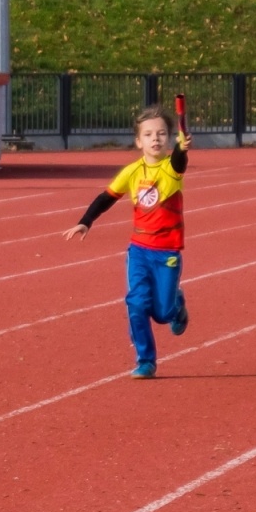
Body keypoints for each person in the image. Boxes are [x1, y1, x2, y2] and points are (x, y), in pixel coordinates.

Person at [63, 105, 193, 379]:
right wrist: (86, 221)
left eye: (161, 134)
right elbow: (107, 197)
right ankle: (145, 361)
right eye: (148, 134)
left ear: (170, 139)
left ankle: (176, 306)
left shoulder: (172, 169)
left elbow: (180, 160)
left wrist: (183, 147)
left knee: (163, 312)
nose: (155, 139)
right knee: (135, 303)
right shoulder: (132, 172)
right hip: (140, 252)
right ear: (139, 141)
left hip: (167, 253)